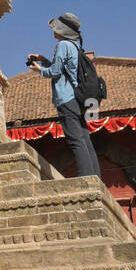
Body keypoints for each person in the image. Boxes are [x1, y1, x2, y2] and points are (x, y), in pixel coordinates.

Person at [28, 12, 102, 179]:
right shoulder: (74, 45)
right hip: (77, 98)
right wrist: (43, 59)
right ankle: (95, 177)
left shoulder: (63, 45)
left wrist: (38, 69)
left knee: (76, 140)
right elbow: (63, 69)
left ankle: (85, 177)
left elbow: (54, 72)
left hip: (66, 98)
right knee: (84, 139)